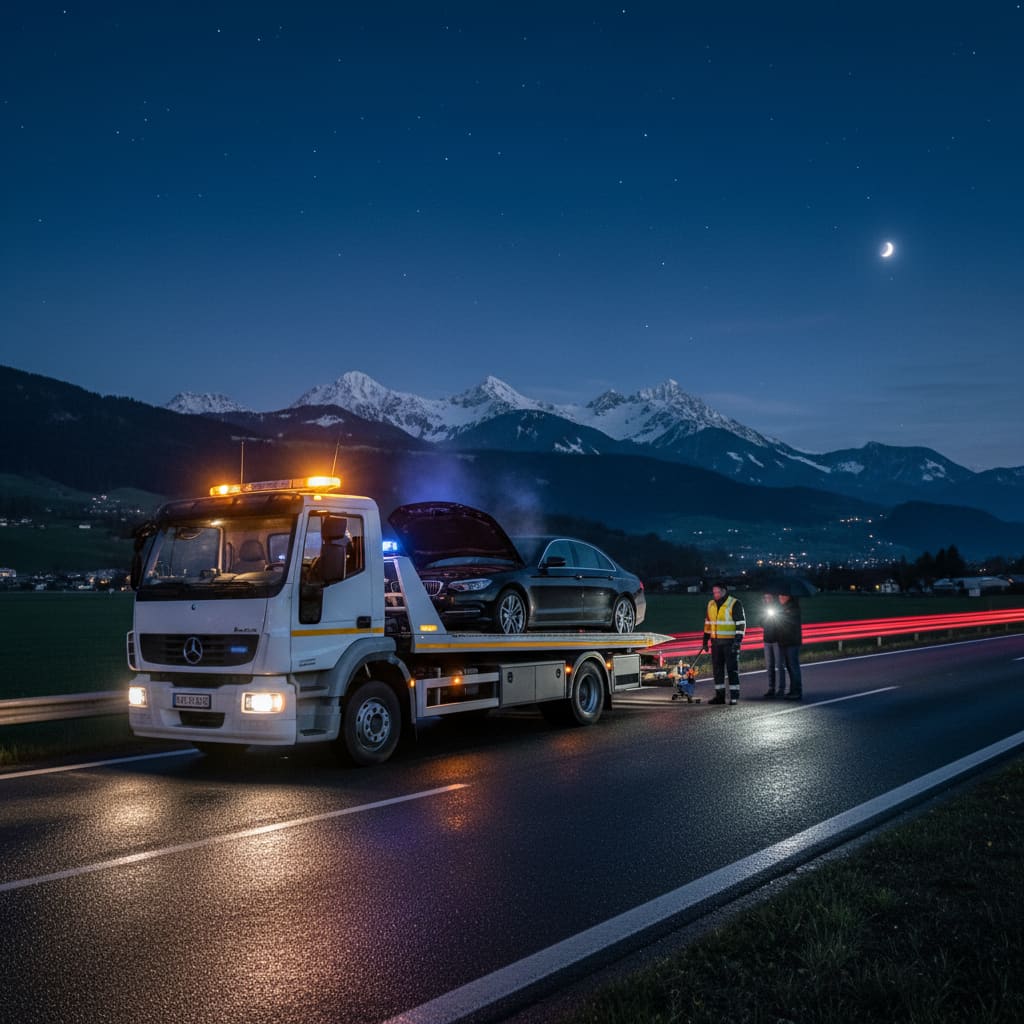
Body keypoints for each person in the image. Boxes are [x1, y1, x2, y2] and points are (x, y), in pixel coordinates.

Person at [702, 580, 746, 704]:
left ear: (724, 591)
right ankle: (720, 697)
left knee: (732, 670)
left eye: (717, 592)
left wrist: (738, 641)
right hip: (716, 643)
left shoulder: (734, 603)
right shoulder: (711, 604)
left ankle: (734, 697)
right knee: (717, 671)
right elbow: (708, 623)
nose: (715, 594)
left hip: (730, 643)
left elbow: (741, 623)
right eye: (714, 592)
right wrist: (705, 640)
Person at [776, 593, 803, 699]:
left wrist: (780, 616)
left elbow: (788, 623)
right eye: (779, 596)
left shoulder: (793, 608)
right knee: (789, 666)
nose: (780, 598)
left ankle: (797, 691)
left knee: (793, 666)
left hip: (792, 642)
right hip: (784, 641)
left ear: (788, 597)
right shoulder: (783, 608)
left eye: (782, 596)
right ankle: (793, 690)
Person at [761, 592, 785, 699]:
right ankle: (771, 688)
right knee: (769, 666)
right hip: (767, 640)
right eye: (766, 597)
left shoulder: (778, 608)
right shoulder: (763, 609)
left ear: (773, 598)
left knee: (779, 665)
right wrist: (765, 618)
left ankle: (781, 689)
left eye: (769, 597)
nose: (767, 599)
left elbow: (782, 623)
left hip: (777, 641)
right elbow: (760, 622)